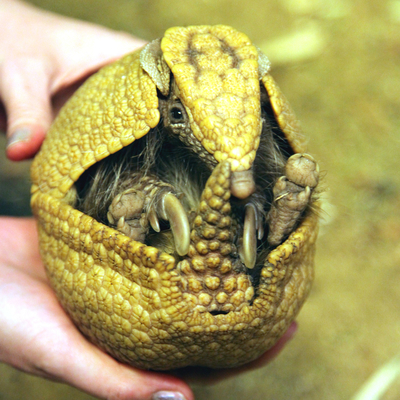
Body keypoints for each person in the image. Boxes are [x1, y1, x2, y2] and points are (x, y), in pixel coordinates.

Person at [0, 1, 296, 399]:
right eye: (177, 114)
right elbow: (71, 187)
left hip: (235, 276)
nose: (240, 183)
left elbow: (258, 167)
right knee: (111, 187)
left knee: (263, 183)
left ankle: (266, 223)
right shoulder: (124, 106)